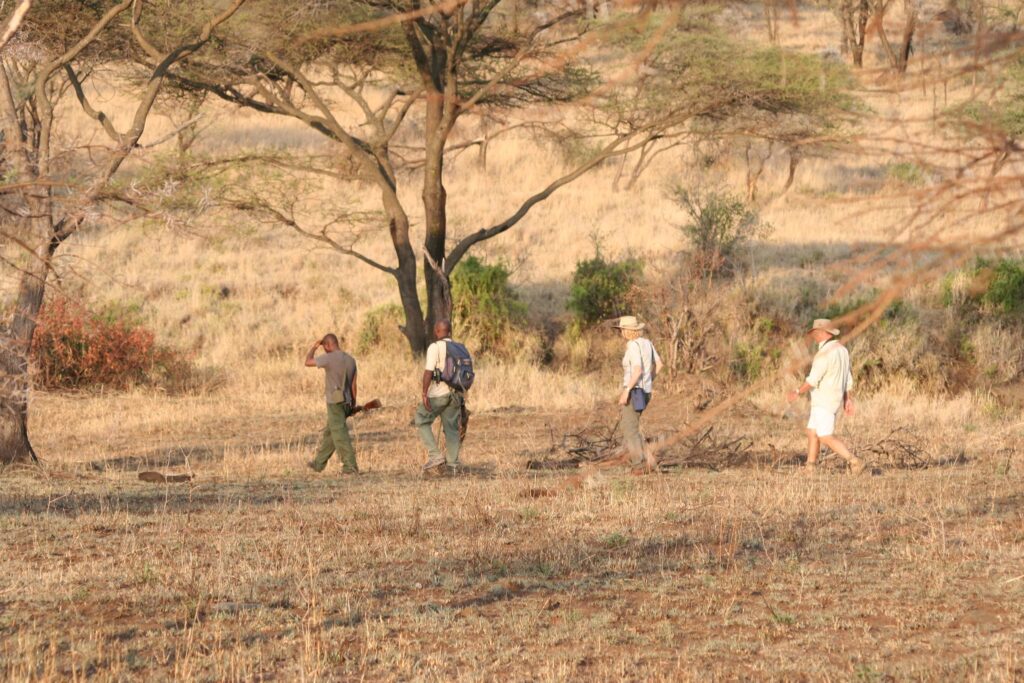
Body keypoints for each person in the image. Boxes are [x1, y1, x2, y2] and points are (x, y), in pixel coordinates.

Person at [786, 318, 866, 475]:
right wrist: (847, 399)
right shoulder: (842, 350)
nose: (813, 335)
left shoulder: (823, 353)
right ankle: (810, 467)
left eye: (815, 332)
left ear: (823, 333)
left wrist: (797, 391)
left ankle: (854, 461)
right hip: (832, 399)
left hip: (824, 400)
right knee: (812, 432)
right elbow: (848, 378)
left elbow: (813, 379)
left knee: (825, 436)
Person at [415, 319, 465, 477]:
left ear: (436, 331)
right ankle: (453, 465)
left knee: (421, 419)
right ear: (449, 331)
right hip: (457, 393)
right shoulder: (460, 348)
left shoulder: (435, 347)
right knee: (451, 428)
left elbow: (428, 371)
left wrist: (424, 393)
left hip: (439, 392)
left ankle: (435, 455)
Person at [304, 333, 359, 474]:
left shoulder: (329, 358)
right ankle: (318, 464)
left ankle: (350, 466)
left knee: (340, 435)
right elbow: (354, 385)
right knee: (330, 434)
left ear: (328, 345)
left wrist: (314, 347)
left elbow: (308, 361)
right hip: (347, 402)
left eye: (324, 347)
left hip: (334, 403)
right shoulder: (351, 360)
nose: (325, 350)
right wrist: (352, 404)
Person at [614, 315, 663, 468]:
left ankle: (639, 464)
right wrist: (648, 381)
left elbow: (637, 369)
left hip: (634, 391)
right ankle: (649, 460)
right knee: (631, 425)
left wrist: (626, 390)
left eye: (622, 329)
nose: (621, 332)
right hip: (645, 391)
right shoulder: (648, 343)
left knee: (629, 427)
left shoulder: (633, 345)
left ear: (626, 331)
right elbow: (660, 365)